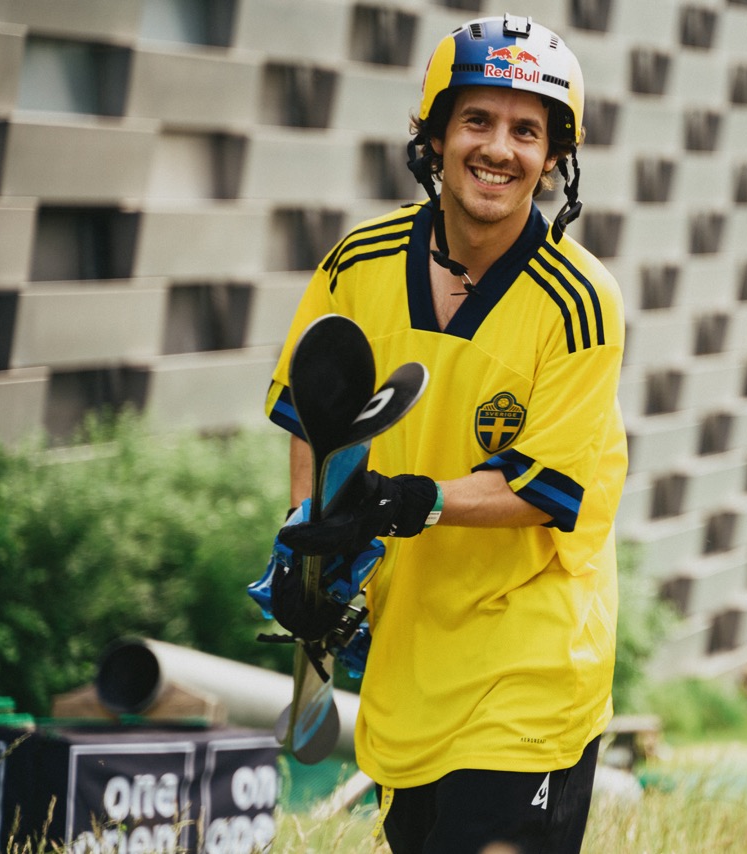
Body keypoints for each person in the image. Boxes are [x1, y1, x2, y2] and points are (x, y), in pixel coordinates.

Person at [263, 15, 626, 854]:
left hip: (534, 660)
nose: (499, 148)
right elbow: (314, 420)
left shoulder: (581, 301)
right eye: (477, 121)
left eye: (527, 131)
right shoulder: (358, 263)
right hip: (413, 655)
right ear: (433, 135)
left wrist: (402, 500)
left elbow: (544, 489)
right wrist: (309, 541)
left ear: (554, 156)